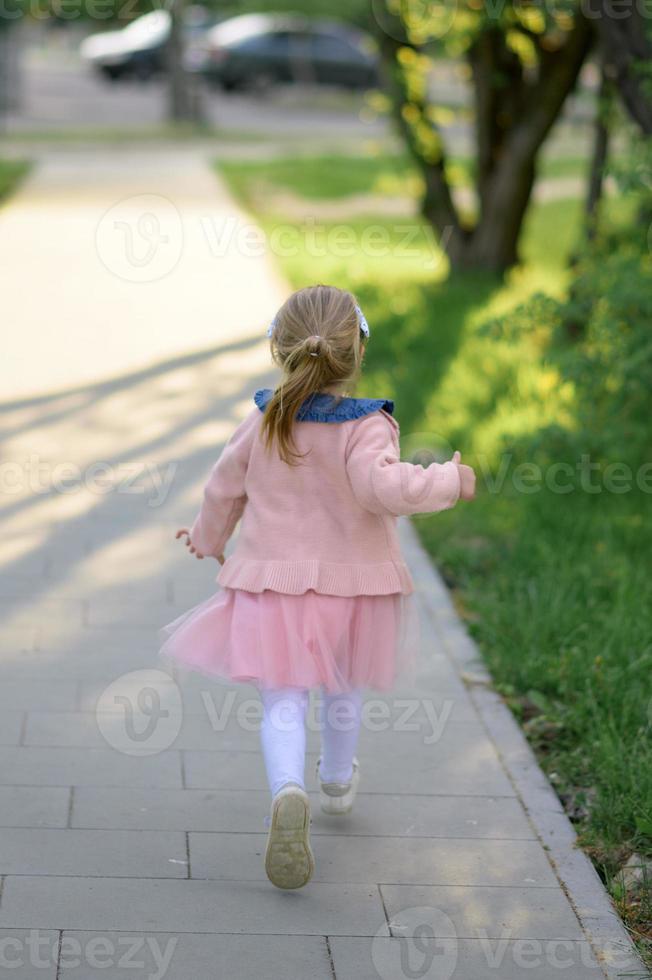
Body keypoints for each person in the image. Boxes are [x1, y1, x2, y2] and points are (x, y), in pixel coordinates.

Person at [159, 284, 475, 890]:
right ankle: (334, 778)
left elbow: (223, 487)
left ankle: (287, 790)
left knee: (281, 697)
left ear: (282, 350)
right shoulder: (368, 427)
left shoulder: (264, 416)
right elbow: (384, 490)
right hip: (350, 590)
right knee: (342, 685)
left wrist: (207, 537)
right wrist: (448, 480)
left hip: (271, 586)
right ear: (356, 353)